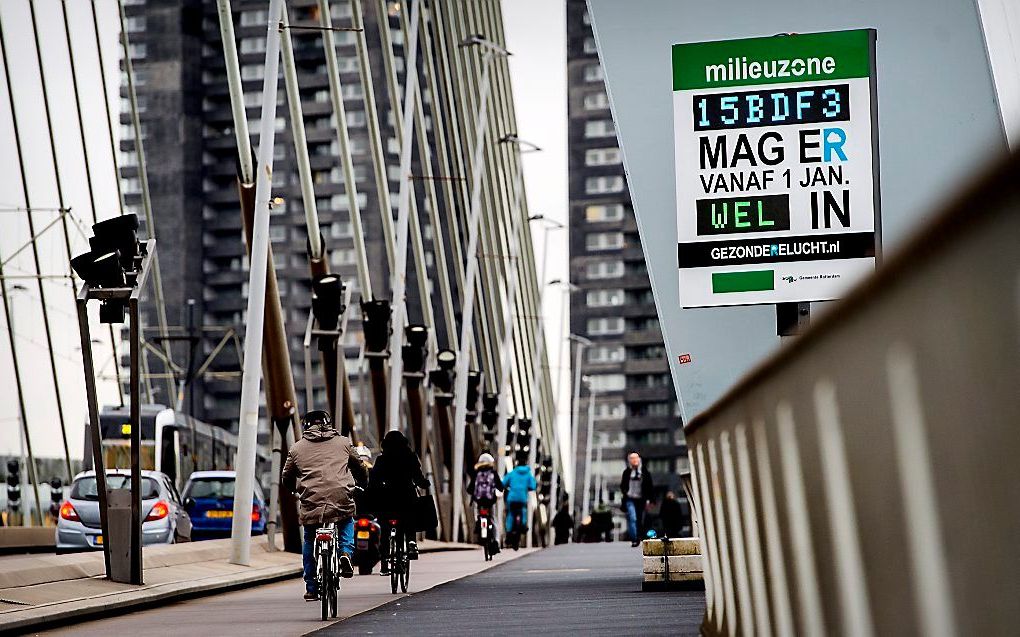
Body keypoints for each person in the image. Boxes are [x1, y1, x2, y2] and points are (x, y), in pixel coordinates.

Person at [282, 409, 368, 602]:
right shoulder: (344, 442)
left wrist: (294, 490)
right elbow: (359, 466)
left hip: (311, 500)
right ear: (328, 424)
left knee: (310, 538)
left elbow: (286, 477)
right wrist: (363, 482)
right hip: (341, 497)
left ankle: (311, 587)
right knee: (346, 520)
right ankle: (345, 553)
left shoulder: (296, 448)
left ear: (306, 426)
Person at [369, 430, 429, 575]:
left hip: (387, 498)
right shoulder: (410, 457)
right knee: (410, 519)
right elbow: (418, 477)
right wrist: (424, 484)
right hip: (406, 496)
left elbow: (374, 480)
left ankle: (384, 562)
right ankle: (411, 543)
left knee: (384, 529)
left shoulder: (382, 460)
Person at [467, 452, 503, 548]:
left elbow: (469, 489)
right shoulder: (493, 473)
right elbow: (500, 486)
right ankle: (496, 540)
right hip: (490, 501)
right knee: (493, 518)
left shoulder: (476, 474)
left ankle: (479, 527)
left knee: (478, 515)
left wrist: (472, 494)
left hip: (479, 501)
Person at [619, 452, 654, 547]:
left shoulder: (644, 472)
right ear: (629, 460)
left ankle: (639, 537)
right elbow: (622, 485)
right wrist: (625, 492)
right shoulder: (627, 472)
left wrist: (650, 500)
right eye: (632, 458)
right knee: (632, 517)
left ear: (639, 459)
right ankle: (634, 539)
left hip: (641, 499)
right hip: (630, 499)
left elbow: (650, 486)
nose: (634, 460)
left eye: (636, 458)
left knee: (639, 519)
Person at [501, 460, 537, 536]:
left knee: (510, 513)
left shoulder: (512, 473)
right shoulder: (528, 474)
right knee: (523, 511)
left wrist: (507, 486)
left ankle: (509, 530)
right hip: (522, 498)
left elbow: (503, 483)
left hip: (512, 498)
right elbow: (533, 486)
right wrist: (528, 488)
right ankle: (523, 524)